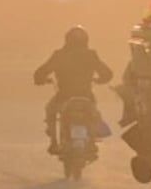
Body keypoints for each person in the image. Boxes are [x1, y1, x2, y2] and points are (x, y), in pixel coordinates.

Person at [33, 25, 113, 155]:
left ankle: (53, 142)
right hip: (86, 95)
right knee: (95, 114)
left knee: (50, 111)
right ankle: (92, 140)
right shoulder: (91, 55)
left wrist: (40, 80)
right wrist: (100, 80)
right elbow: (107, 73)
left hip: (64, 96)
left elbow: (42, 71)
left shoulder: (59, 55)